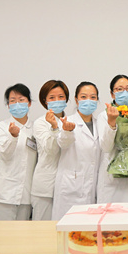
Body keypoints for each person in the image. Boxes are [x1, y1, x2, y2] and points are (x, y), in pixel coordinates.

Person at [51, 81, 101, 219]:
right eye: (84, 97)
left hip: (92, 186)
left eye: (93, 97)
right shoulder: (65, 122)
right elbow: (62, 143)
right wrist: (67, 131)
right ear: (76, 100)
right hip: (70, 187)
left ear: (97, 100)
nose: (88, 101)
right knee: (67, 225)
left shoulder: (99, 124)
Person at [0, 83, 38, 220]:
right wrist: (13, 136)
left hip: (26, 194)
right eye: (12, 100)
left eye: (21, 100)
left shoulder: (35, 127)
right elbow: (3, 154)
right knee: (3, 232)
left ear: (29, 103)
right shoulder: (2, 127)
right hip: (4, 194)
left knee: (23, 232)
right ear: (8, 105)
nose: (17, 104)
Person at [97, 75, 128, 204]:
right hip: (111, 176)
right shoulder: (104, 116)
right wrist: (111, 123)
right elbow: (106, 147)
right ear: (112, 94)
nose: (125, 92)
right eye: (120, 89)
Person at [31, 80, 70, 221]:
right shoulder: (40, 123)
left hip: (67, 185)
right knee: (42, 229)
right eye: (52, 98)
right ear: (45, 101)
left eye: (61, 97)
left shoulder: (71, 121)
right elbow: (51, 150)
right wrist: (54, 127)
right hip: (46, 187)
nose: (57, 100)